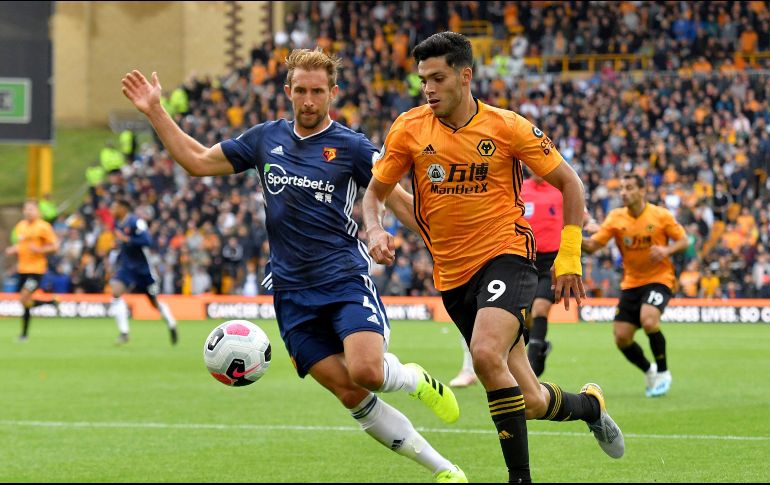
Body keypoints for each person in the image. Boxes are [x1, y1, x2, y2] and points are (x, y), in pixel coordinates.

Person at [121, 48, 467, 483]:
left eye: (317, 92)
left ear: (332, 94)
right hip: (291, 293)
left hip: (344, 278)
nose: (308, 100)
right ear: (287, 91)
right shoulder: (265, 139)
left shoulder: (353, 147)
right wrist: (155, 110)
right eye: (300, 90)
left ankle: (415, 379)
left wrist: (444, 240)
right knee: (350, 393)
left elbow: (399, 202)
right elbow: (197, 161)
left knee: (367, 372)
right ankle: (444, 471)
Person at [362, 32, 624, 483]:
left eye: (438, 78)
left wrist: (570, 254)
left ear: (465, 76)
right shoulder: (408, 128)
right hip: (452, 275)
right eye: (423, 79)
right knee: (531, 400)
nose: (428, 89)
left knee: (484, 354)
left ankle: (518, 478)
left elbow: (570, 183)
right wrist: (374, 227)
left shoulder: (506, 126)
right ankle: (590, 406)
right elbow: (375, 194)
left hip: (508, 255)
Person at [449, 169, 564, 387]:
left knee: (540, 308)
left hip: (551, 262)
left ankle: (535, 358)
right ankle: (540, 347)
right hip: (523, 257)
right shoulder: (519, 187)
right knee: (525, 316)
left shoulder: (560, 190)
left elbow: (579, 219)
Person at [582, 173, 688, 398]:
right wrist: (569, 237)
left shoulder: (660, 215)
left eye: (629, 187)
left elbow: (684, 240)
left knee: (649, 320)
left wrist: (666, 250)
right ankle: (649, 370)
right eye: (621, 188)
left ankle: (663, 372)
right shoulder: (615, 218)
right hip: (631, 283)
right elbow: (592, 247)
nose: (623, 192)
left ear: (642, 190)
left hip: (660, 278)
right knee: (621, 338)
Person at [109, 198, 178, 346]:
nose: (111, 210)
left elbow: (147, 241)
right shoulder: (116, 223)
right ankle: (124, 333)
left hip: (144, 270)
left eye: (114, 207)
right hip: (127, 267)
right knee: (115, 291)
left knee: (154, 302)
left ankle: (171, 323)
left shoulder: (136, 222)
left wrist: (127, 239)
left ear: (123, 208)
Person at [4, 200, 60, 341]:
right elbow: (21, 246)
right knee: (25, 302)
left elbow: (55, 246)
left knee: (24, 297)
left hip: (36, 270)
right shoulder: (20, 226)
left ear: (38, 211)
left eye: (31, 209)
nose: (29, 212)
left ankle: (48, 305)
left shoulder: (43, 227)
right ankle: (24, 334)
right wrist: (13, 249)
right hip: (22, 269)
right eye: (26, 209)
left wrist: (40, 249)